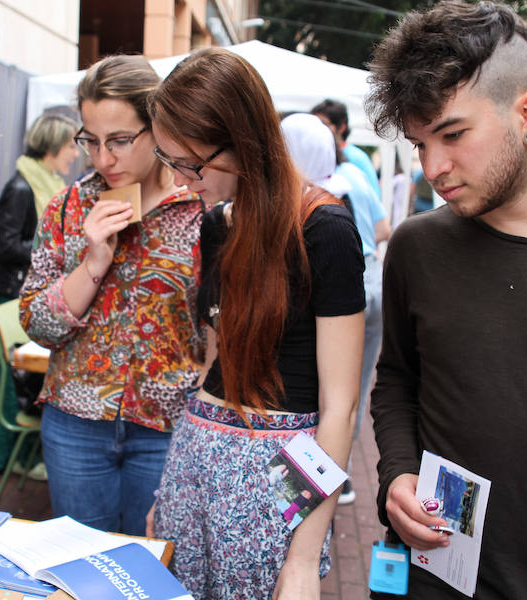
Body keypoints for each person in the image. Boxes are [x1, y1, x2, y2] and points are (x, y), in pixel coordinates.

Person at [365, 1, 527, 597]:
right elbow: (397, 382)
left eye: (453, 134)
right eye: (419, 144)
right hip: (435, 578)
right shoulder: (417, 246)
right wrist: (397, 473)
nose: (434, 166)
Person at [146, 47, 365, 600]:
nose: (179, 179)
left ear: (242, 144)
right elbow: (215, 361)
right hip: (197, 451)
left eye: (190, 164)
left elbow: (340, 407)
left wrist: (304, 552)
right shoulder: (216, 223)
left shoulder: (326, 231)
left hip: (279, 468)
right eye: (168, 159)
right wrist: (175, 479)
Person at [18, 55, 203, 537]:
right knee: (82, 565)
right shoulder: (68, 206)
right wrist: (92, 263)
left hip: (169, 426)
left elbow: (221, 330)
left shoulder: (201, 211)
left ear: (158, 126)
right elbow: (37, 324)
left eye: (120, 140)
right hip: (76, 421)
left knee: (157, 567)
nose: (103, 159)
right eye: (90, 141)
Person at [281, 112, 390, 506]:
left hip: (344, 292)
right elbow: (382, 230)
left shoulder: (314, 211)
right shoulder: (355, 177)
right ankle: (331, 478)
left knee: (330, 394)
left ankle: (315, 485)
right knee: (350, 390)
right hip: (371, 280)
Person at [0, 113, 77, 476]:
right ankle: (4, 462)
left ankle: (20, 459)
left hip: (27, 295)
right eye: (71, 144)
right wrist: (54, 249)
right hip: (12, 296)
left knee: (23, 382)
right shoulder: (22, 187)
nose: (75, 152)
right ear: (53, 145)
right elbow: (5, 245)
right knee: (11, 385)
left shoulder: (46, 183)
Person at [311, 98, 381, 197]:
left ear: (341, 127)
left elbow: (374, 197)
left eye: (323, 124)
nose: (316, 128)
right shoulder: (315, 156)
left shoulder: (356, 158)